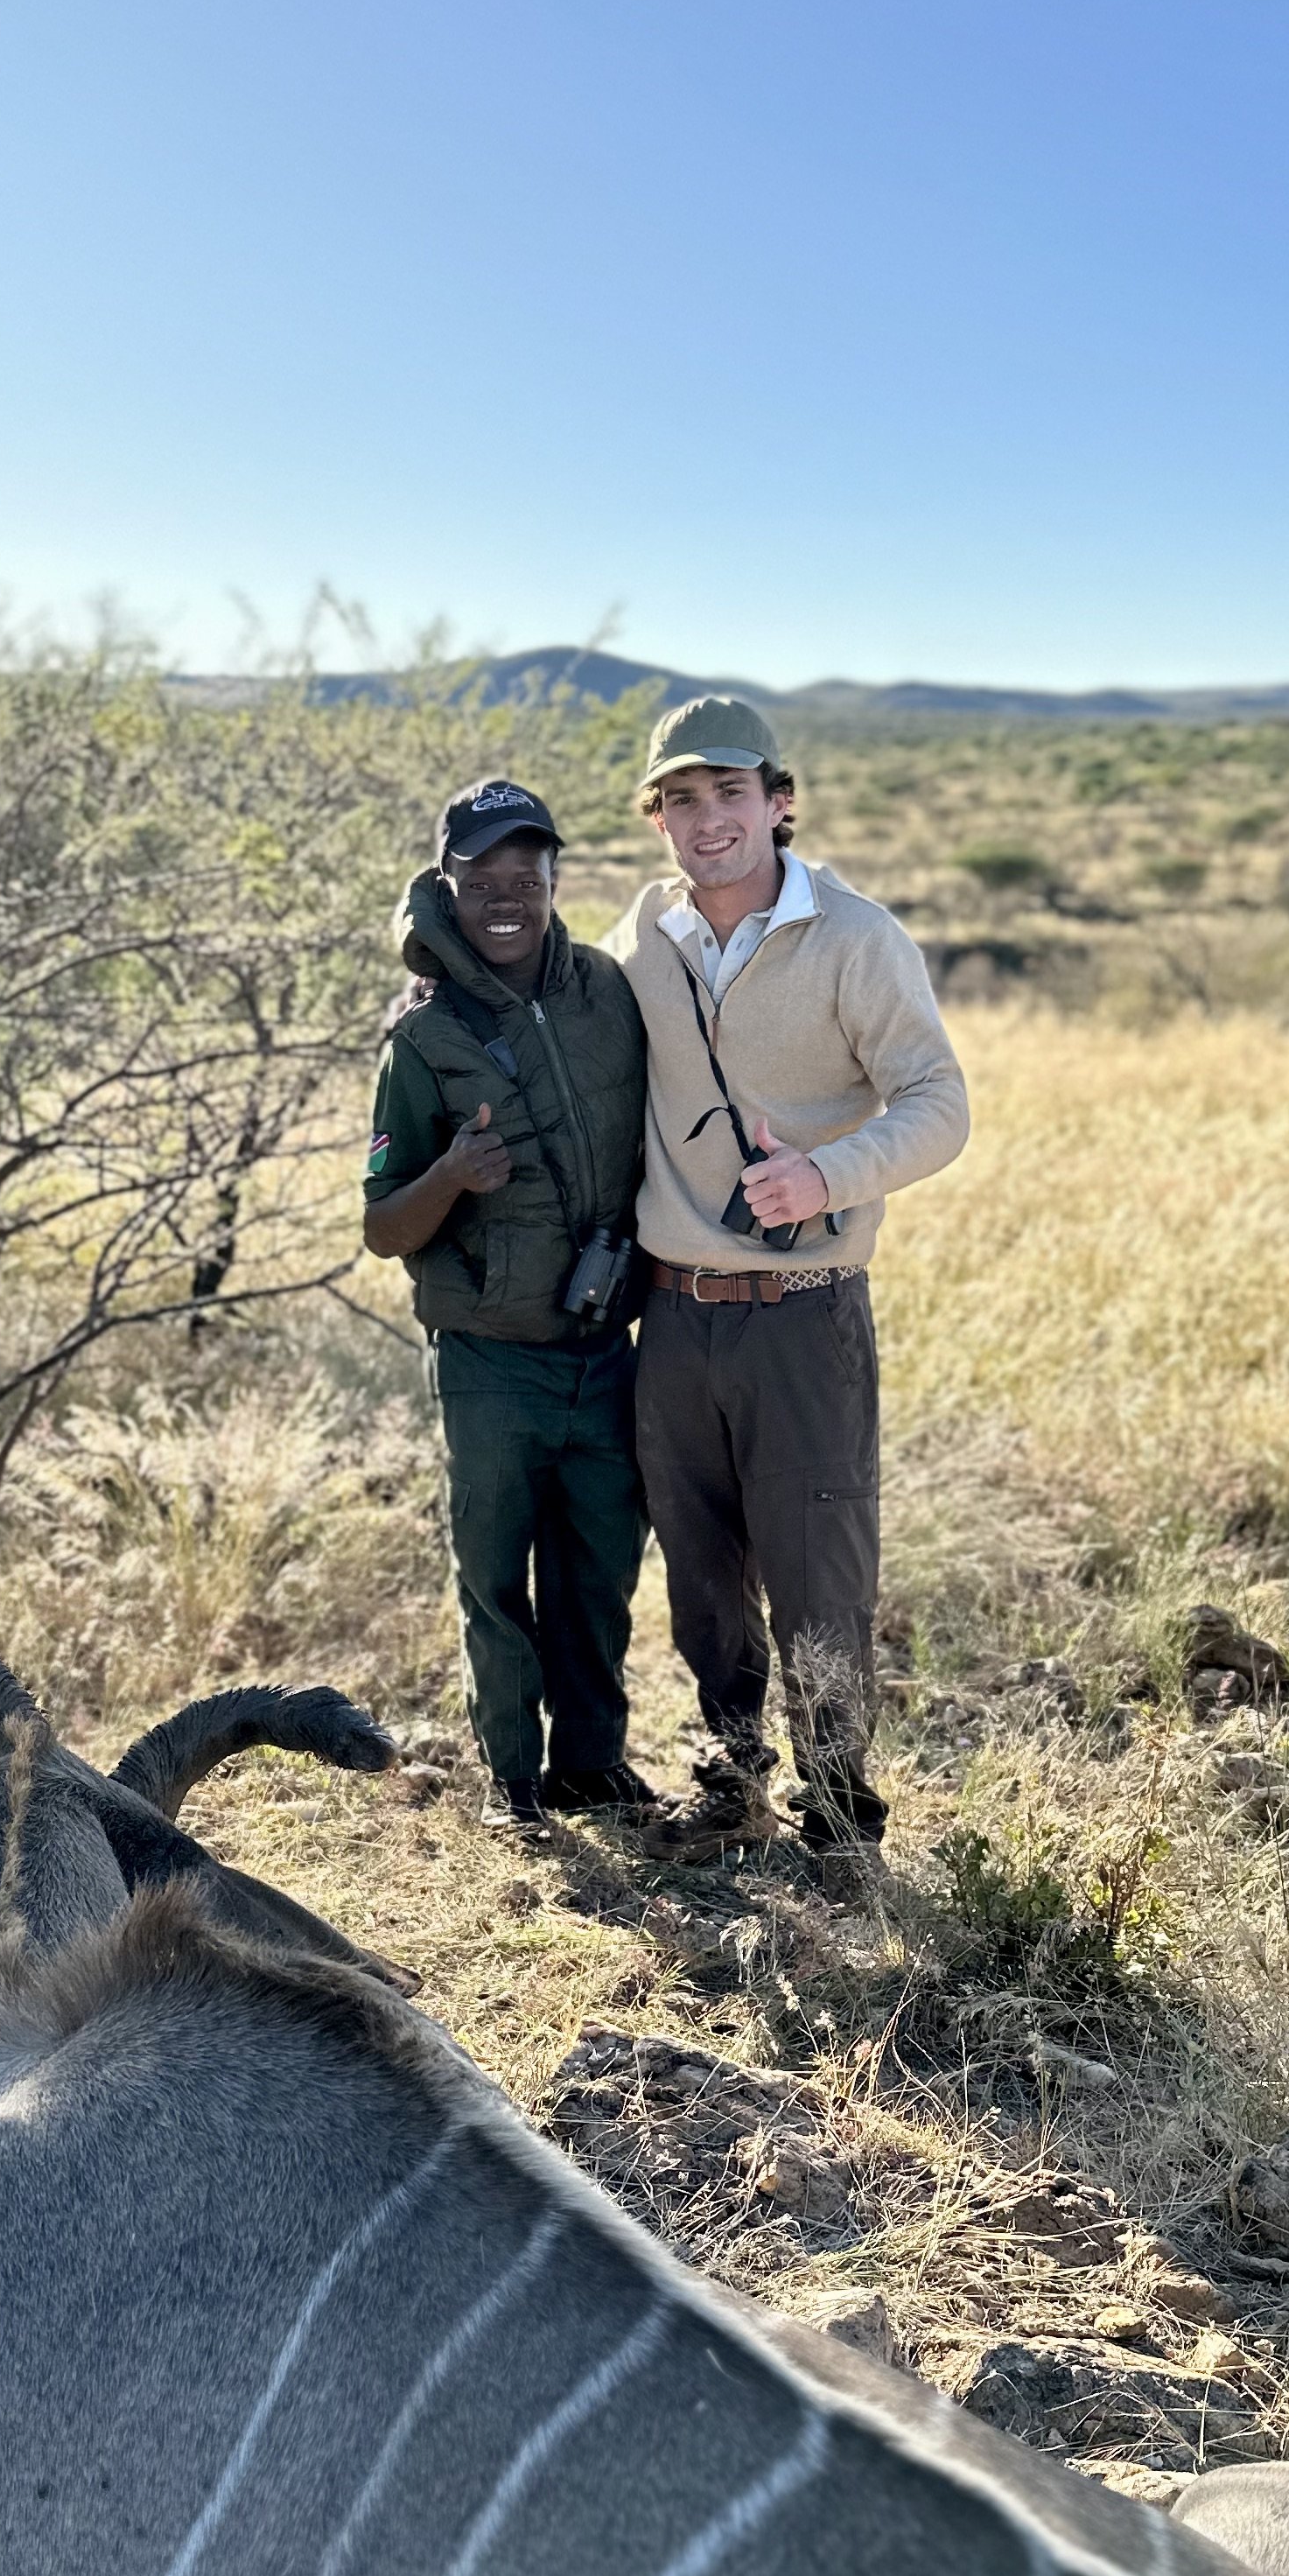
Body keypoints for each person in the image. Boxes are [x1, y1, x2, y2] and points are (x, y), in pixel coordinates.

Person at [602, 694, 969, 1858]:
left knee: (819, 1564)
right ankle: (729, 1780)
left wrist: (830, 1177)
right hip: (672, 1316)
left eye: (729, 792)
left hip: (806, 1317)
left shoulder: (857, 938)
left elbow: (939, 1103)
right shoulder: (644, 941)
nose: (708, 819)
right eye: (682, 799)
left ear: (779, 801)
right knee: (699, 1565)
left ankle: (839, 1807)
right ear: (659, 820)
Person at [364, 775, 652, 1835]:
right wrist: (451, 1178)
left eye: (523, 875)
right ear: (448, 884)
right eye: (480, 877)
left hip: (605, 1348)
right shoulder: (421, 1038)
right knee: (495, 1582)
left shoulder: (609, 995)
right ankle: (517, 1788)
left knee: (600, 1578)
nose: (504, 896)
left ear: (552, 880)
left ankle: (592, 1769)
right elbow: (382, 1224)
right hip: (489, 1362)